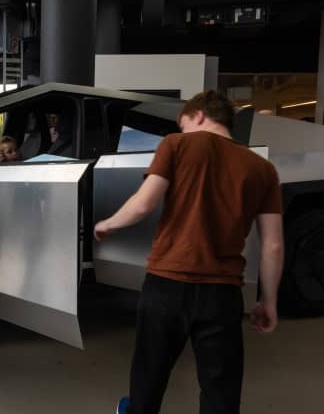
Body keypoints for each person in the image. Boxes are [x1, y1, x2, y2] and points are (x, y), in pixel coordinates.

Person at [94, 90, 284, 414]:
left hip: (166, 285)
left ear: (197, 116)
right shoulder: (262, 168)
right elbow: (273, 244)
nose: (183, 132)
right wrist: (268, 301)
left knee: (149, 375)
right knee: (219, 389)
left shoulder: (175, 144)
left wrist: (108, 223)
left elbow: (144, 204)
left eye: (184, 125)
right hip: (222, 293)